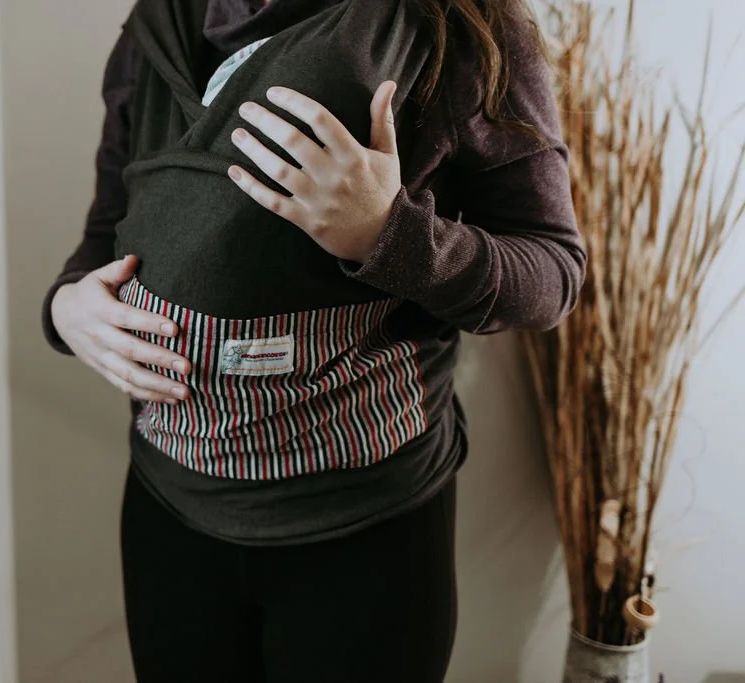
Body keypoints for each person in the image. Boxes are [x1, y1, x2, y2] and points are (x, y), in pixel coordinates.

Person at [42, 0, 586, 680]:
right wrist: (66, 308)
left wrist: (391, 232)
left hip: (366, 532)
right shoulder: (158, 23)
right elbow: (107, 233)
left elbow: (553, 272)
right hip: (170, 515)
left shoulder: (458, 24)